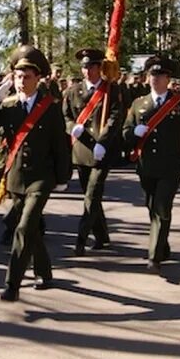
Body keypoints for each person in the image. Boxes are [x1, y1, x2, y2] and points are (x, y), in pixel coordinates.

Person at [0, 50, 70, 302]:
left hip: (42, 178)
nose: (21, 81)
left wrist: (63, 176)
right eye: (17, 76)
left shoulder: (49, 107)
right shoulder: (8, 106)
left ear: (37, 78)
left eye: (26, 77)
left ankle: (12, 284)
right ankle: (45, 272)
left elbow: (59, 143)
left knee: (24, 227)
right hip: (16, 178)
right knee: (32, 231)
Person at [122, 56, 180, 274]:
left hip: (171, 167)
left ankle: (154, 256)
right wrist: (133, 133)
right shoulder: (138, 104)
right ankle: (162, 246)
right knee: (152, 208)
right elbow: (125, 132)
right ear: (147, 78)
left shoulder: (179, 103)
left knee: (162, 208)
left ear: (168, 78)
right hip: (146, 166)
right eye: (152, 76)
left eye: (160, 76)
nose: (156, 79)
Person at [63, 48, 125, 256]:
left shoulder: (111, 90)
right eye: (84, 67)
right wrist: (72, 127)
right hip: (81, 151)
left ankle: (81, 239)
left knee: (91, 194)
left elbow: (115, 118)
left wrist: (104, 141)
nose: (87, 70)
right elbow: (65, 116)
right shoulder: (73, 91)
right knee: (91, 194)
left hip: (101, 151)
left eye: (91, 66)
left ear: (100, 68)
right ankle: (102, 235)